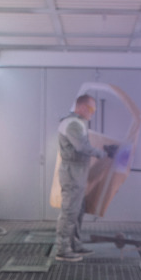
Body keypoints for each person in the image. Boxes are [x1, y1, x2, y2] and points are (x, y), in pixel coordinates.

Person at [54, 94, 113, 262]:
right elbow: (82, 146)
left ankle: (75, 244)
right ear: (81, 107)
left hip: (78, 171)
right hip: (72, 171)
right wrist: (102, 153)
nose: (93, 112)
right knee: (70, 211)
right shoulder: (73, 123)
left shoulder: (78, 122)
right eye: (91, 108)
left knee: (78, 210)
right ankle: (63, 249)